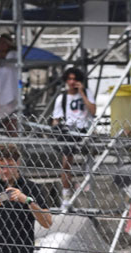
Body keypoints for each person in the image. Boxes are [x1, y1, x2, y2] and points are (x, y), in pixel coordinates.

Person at [51, 67, 96, 200]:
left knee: (89, 156)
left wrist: (81, 92)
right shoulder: (62, 98)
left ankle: (87, 181)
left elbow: (93, 111)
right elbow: (56, 118)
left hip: (83, 129)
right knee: (66, 162)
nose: (72, 82)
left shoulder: (87, 93)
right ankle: (66, 194)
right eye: (69, 79)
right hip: (68, 130)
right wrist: (56, 130)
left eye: (74, 79)